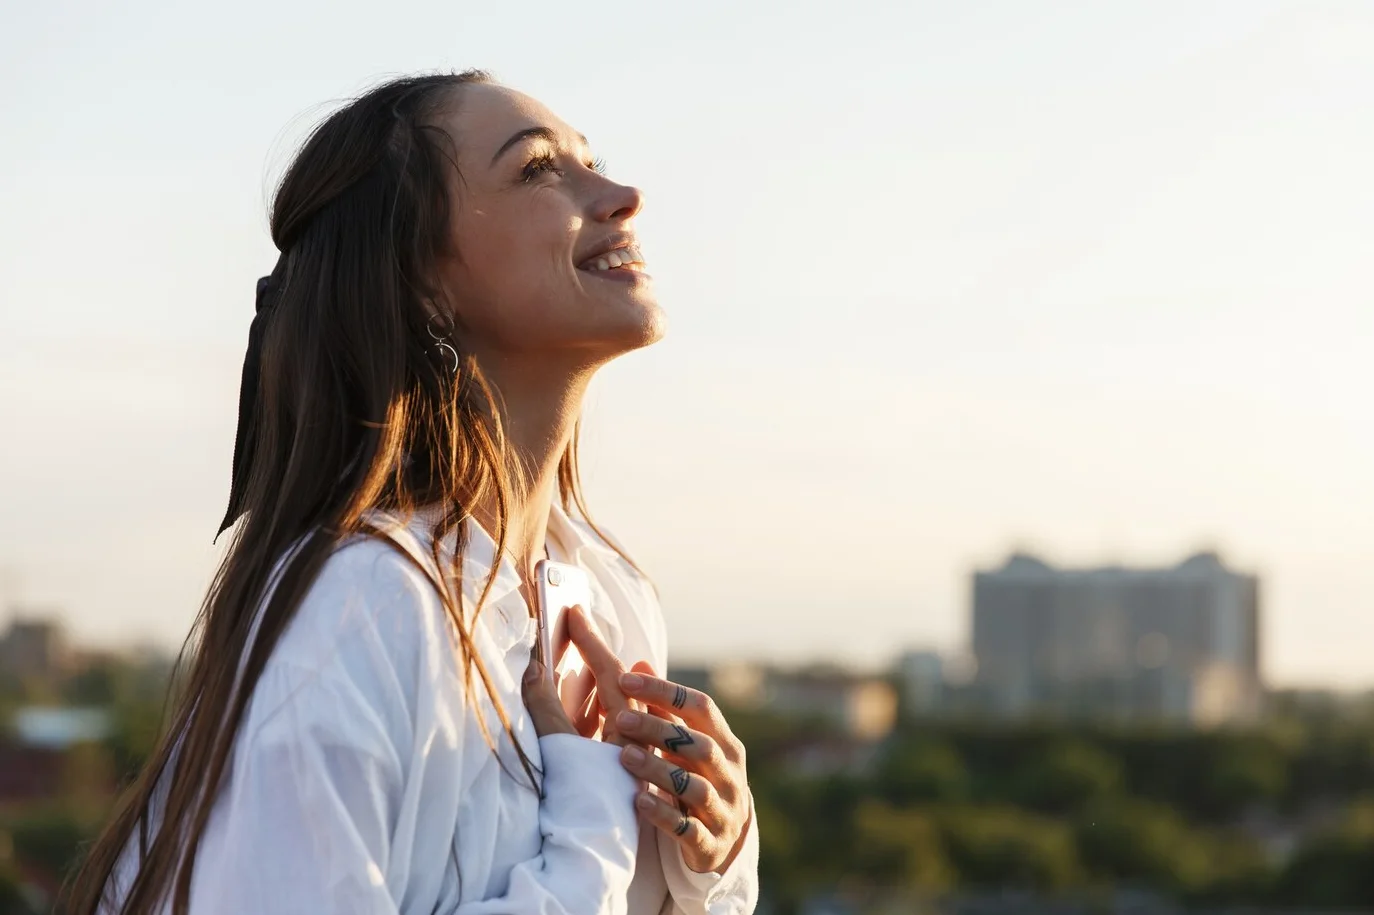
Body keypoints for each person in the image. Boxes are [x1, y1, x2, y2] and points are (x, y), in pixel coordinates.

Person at [66, 70, 758, 915]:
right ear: (423, 277)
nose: (623, 195)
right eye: (539, 170)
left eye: (593, 161)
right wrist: (594, 831)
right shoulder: (359, 606)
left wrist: (713, 855)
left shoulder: (612, 598)